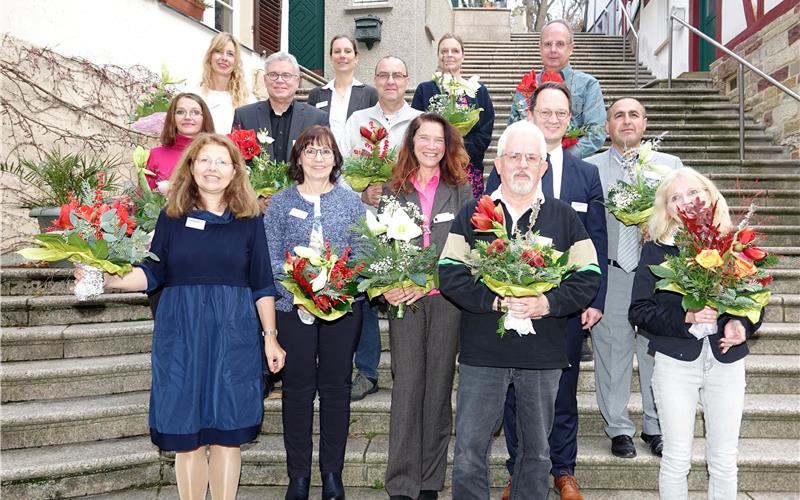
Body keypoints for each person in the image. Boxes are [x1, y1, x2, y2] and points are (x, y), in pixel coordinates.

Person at [80, 133, 285, 500]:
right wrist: (107, 278)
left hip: (232, 332)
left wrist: (270, 336)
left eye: (222, 161)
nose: (213, 168)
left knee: (228, 431)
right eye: (204, 160)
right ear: (190, 166)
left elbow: (262, 283)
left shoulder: (250, 219)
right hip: (182, 331)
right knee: (186, 432)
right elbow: (152, 272)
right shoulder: (171, 217)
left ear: (235, 170)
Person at [438, 120, 602, 500]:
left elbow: (589, 275)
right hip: (483, 352)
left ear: (544, 167)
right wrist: (493, 300)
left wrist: (548, 303)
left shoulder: (564, 217)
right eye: (515, 157)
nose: (523, 165)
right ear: (499, 163)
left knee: (537, 453)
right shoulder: (474, 214)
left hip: (542, 355)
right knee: (468, 451)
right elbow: (449, 273)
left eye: (532, 157)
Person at [500, 81, 607, 500]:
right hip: (514, 298)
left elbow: (596, 241)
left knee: (562, 391)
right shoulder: (508, 164)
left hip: (565, 304)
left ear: (570, 120)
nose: (553, 119)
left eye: (561, 113)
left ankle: (563, 471)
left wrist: (594, 299)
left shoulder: (587, 173)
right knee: (513, 389)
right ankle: (518, 470)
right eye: (545, 111)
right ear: (531, 114)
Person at [629, 167, 761, 499]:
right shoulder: (657, 250)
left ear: (709, 195)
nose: (685, 201)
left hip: (726, 361)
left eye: (692, 193)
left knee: (724, 460)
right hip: (676, 363)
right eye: (675, 197)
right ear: (667, 208)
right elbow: (639, 311)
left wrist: (741, 325)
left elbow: (754, 301)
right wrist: (685, 317)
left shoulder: (732, 244)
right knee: (676, 459)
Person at [263, 125, 365, 500]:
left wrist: (337, 285)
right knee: (298, 390)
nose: (318, 158)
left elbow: (363, 252)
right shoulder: (279, 202)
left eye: (325, 151)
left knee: (337, 389)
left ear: (336, 158)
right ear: (298, 158)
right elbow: (269, 253)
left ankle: (332, 475)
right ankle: (299, 477)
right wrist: (298, 283)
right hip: (293, 308)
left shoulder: (351, 202)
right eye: (310, 151)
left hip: (342, 309)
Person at [585, 97, 684, 460]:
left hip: (657, 276)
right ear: (607, 126)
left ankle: (655, 426)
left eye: (634, 115)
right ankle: (619, 427)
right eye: (618, 116)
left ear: (645, 123)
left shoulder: (670, 166)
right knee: (612, 353)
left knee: (656, 352)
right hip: (613, 272)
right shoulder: (589, 168)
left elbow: (687, 213)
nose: (626, 121)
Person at [381, 113, 473, 500]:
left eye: (439, 139)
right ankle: (402, 481)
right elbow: (381, 245)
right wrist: (386, 287)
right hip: (404, 300)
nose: (431, 145)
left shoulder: (462, 190)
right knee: (406, 386)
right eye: (424, 137)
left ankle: (431, 481)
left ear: (447, 146)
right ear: (412, 141)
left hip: (445, 301)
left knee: (438, 387)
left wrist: (431, 281)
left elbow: (467, 251)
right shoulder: (394, 188)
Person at [342, 55, 422, 401]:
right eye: (384, 75)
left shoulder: (420, 122)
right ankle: (368, 370)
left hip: (409, 224)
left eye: (397, 76)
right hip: (365, 222)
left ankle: (406, 370)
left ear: (407, 80)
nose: (391, 81)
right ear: (375, 79)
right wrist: (362, 191)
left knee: (406, 291)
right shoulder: (357, 121)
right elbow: (339, 168)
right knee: (364, 297)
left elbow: (430, 170)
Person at [486, 18, 606, 192]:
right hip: (528, 171)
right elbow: (513, 128)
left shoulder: (588, 85)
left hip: (571, 173)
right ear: (540, 47)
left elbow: (596, 133)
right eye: (548, 44)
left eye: (560, 44)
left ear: (571, 48)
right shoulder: (527, 86)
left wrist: (561, 158)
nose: (553, 50)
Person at [411, 33, 495, 199]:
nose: (449, 55)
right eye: (444, 51)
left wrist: (459, 150)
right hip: (432, 166)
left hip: (468, 167)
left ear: (462, 56)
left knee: (468, 218)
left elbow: (485, 132)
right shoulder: (425, 90)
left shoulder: (478, 91)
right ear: (437, 56)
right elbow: (415, 129)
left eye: (455, 51)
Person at [232, 51, 327, 164]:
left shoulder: (317, 119)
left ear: (297, 81)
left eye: (286, 75)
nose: (280, 80)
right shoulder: (244, 117)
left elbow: (324, 162)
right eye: (273, 75)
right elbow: (235, 161)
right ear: (265, 80)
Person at [307, 35, 379, 153]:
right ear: (331, 57)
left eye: (347, 51)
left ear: (356, 58)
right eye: (337, 51)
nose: (342, 55)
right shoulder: (317, 94)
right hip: (324, 162)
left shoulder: (370, 94)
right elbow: (309, 132)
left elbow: (375, 132)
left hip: (358, 165)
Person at [145, 93, 215, 192]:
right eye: (180, 112)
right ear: (172, 117)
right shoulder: (155, 155)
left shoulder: (216, 153)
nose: (187, 117)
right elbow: (143, 200)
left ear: (204, 118)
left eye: (195, 112)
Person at [195, 32, 254, 134]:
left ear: (236, 62)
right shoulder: (195, 95)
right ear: (210, 56)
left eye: (230, 54)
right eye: (219, 51)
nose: (224, 58)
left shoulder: (248, 100)